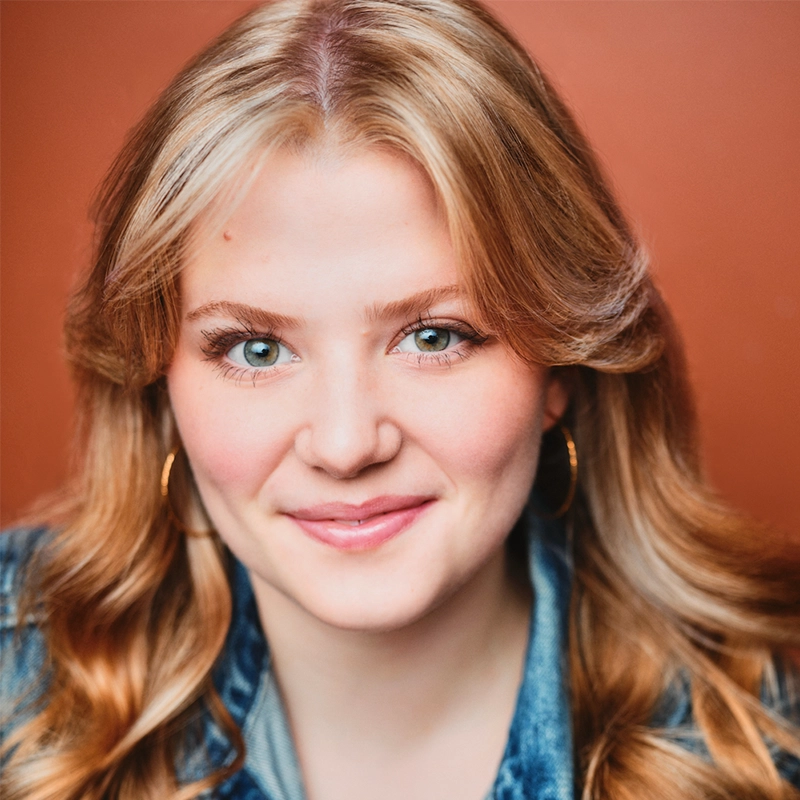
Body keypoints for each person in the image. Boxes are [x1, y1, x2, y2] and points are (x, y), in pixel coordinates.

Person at [1, 0, 798, 797]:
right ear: (158, 378)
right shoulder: (14, 668)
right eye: (257, 349)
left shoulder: (760, 743)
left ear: (559, 365)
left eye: (434, 336)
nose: (346, 445)